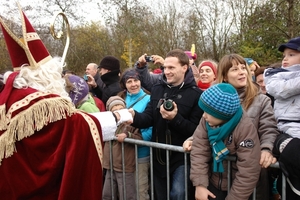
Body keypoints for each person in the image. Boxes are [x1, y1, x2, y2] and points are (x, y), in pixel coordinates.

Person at [0, 5, 132, 199]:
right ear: (46, 76)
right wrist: (119, 116)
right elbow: (76, 128)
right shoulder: (43, 104)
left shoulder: (7, 102)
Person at [183, 53, 279, 200]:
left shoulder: (261, 100)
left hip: (249, 178)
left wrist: (266, 148)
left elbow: (269, 128)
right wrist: (193, 139)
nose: (242, 72)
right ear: (225, 76)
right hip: (218, 177)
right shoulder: (214, 98)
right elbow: (206, 125)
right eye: (235, 69)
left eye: (243, 68)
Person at [130, 49, 203, 200]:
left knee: (178, 194)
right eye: (165, 68)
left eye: (171, 68)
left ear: (184, 67)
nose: (167, 72)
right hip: (158, 157)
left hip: (182, 158)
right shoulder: (157, 89)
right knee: (160, 196)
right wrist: (133, 117)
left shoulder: (197, 95)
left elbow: (196, 130)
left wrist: (175, 118)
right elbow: (148, 118)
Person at [190, 83, 261, 200]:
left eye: (208, 112)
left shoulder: (244, 128)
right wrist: (200, 185)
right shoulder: (206, 122)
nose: (203, 116)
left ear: (222, 114)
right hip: (214, 181)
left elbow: (249, 170)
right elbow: (199, 151)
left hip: (238, 188)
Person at [264, 36, 300, 199]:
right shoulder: (275, 74)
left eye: (292, 55)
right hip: (286, 129)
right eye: (284, 55)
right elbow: (280, 89)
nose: (285, 59)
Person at [118, 68, 152, 200]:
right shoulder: (120, 98)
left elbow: (151, 126)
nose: (133, 84)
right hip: (123, 153)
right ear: (124, 84)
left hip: (141, 153)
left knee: (140, 190)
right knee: (126, 190)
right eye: (129, 81)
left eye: (136, 80)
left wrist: (136, 139)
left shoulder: (149, 99)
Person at [102, 96, 142, 200]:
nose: (118, 113)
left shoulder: (131, 123)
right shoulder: (108, 124)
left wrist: (128, 135)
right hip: (110, 166)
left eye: (121, 109)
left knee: (127, 195)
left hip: (125, 166)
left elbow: (139, 139)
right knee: (107, 194)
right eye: (115, 111)